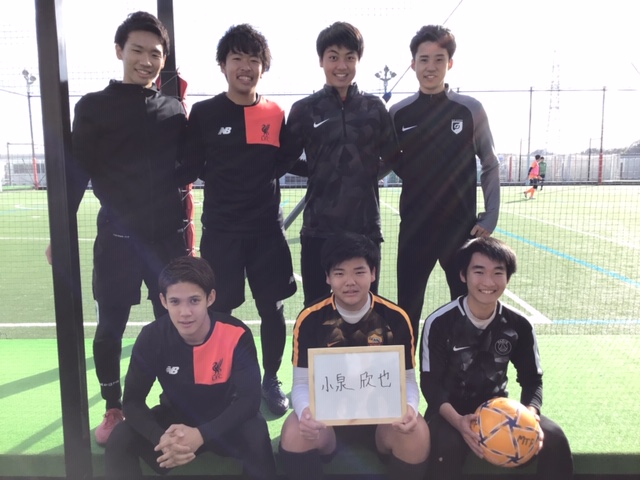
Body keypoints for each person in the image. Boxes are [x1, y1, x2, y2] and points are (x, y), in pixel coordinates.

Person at [47, 11, 188, 445]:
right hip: (118, 240)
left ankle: (176, 401)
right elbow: (77, 172)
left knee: (177, 323)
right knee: (110, 326)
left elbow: (189, 166)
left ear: (163, 59)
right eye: (138, 51)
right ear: (119, 51)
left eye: (155, 54)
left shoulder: (172, 109)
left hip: (166, 241)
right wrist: (59, 232)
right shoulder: (94, 107)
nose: (147, 61)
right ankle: (113, 407)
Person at [180, 24, 296, 416]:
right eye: (237, 58)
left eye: (254, 59)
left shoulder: (275, 114)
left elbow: (283, 161)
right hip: (222, 232)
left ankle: (271, 379)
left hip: (266, 232)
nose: (245, 67)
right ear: (223, 65)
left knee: (272, 309)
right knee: (222, 311)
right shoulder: (205, 113)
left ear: (264, 67)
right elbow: (192, 165)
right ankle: (224, 381)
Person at [104, 256, 277, 480]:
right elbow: (132, 401)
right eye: (175, 302)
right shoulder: (152, 337)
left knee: (256, 431)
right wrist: (161, 438)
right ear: (163, 301)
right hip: (174, 424)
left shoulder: (236, 334)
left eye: (194, 300)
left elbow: (249, 400)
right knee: (121, 436)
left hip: (223, 423)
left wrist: (201, 434)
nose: (185, 312)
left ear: (210, 298)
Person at [279, 232, 430, 480]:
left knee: (418, 432)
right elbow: (302, 383)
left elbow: (408, 380)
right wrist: (306, 412)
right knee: (295, 430)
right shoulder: (310, 319)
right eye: (340, 273)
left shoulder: (395, 318)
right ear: (328, 277)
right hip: (328, 421)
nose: (350, 281)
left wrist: (410, 408)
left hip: (383, 421)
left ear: (373, 273)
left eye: (359, 272)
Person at [420, 236, 574, 479]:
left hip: (498, 412)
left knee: (554, 438)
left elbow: (532, 380)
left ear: (507, 278)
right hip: (449, 413)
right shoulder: (439, 322)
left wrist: (529, 417)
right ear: (463, 275)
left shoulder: (519, 324)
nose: (488, 282)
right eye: (479, 272)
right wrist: (459, 421)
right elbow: (431, 385)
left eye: (498, 273)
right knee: (447, 447)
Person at [388, 25, 500, 343]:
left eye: (439, 59)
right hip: (415, 229)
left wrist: (490, 216)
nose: (431, 67)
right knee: (407, 310)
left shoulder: (470, 109)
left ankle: (465, 371)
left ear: (450, 63)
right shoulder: (398, 113)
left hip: (460, 230)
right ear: (413, 64)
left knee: (466, 308)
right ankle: (405, 372)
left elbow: (490, 163)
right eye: (424, 59)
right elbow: (384, 164)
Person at [279, 21, 398, 307]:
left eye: (349, 57)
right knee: (317, 310)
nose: (341, 65)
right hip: (318, 229)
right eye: (333, 57)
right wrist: (318, 171)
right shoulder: (304, 109)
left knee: (365, 309)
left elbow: (393, 156)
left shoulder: (374, 108)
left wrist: (367, 172)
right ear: (321, 60)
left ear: (358, 60)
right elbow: (285, 159)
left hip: (365, 229)